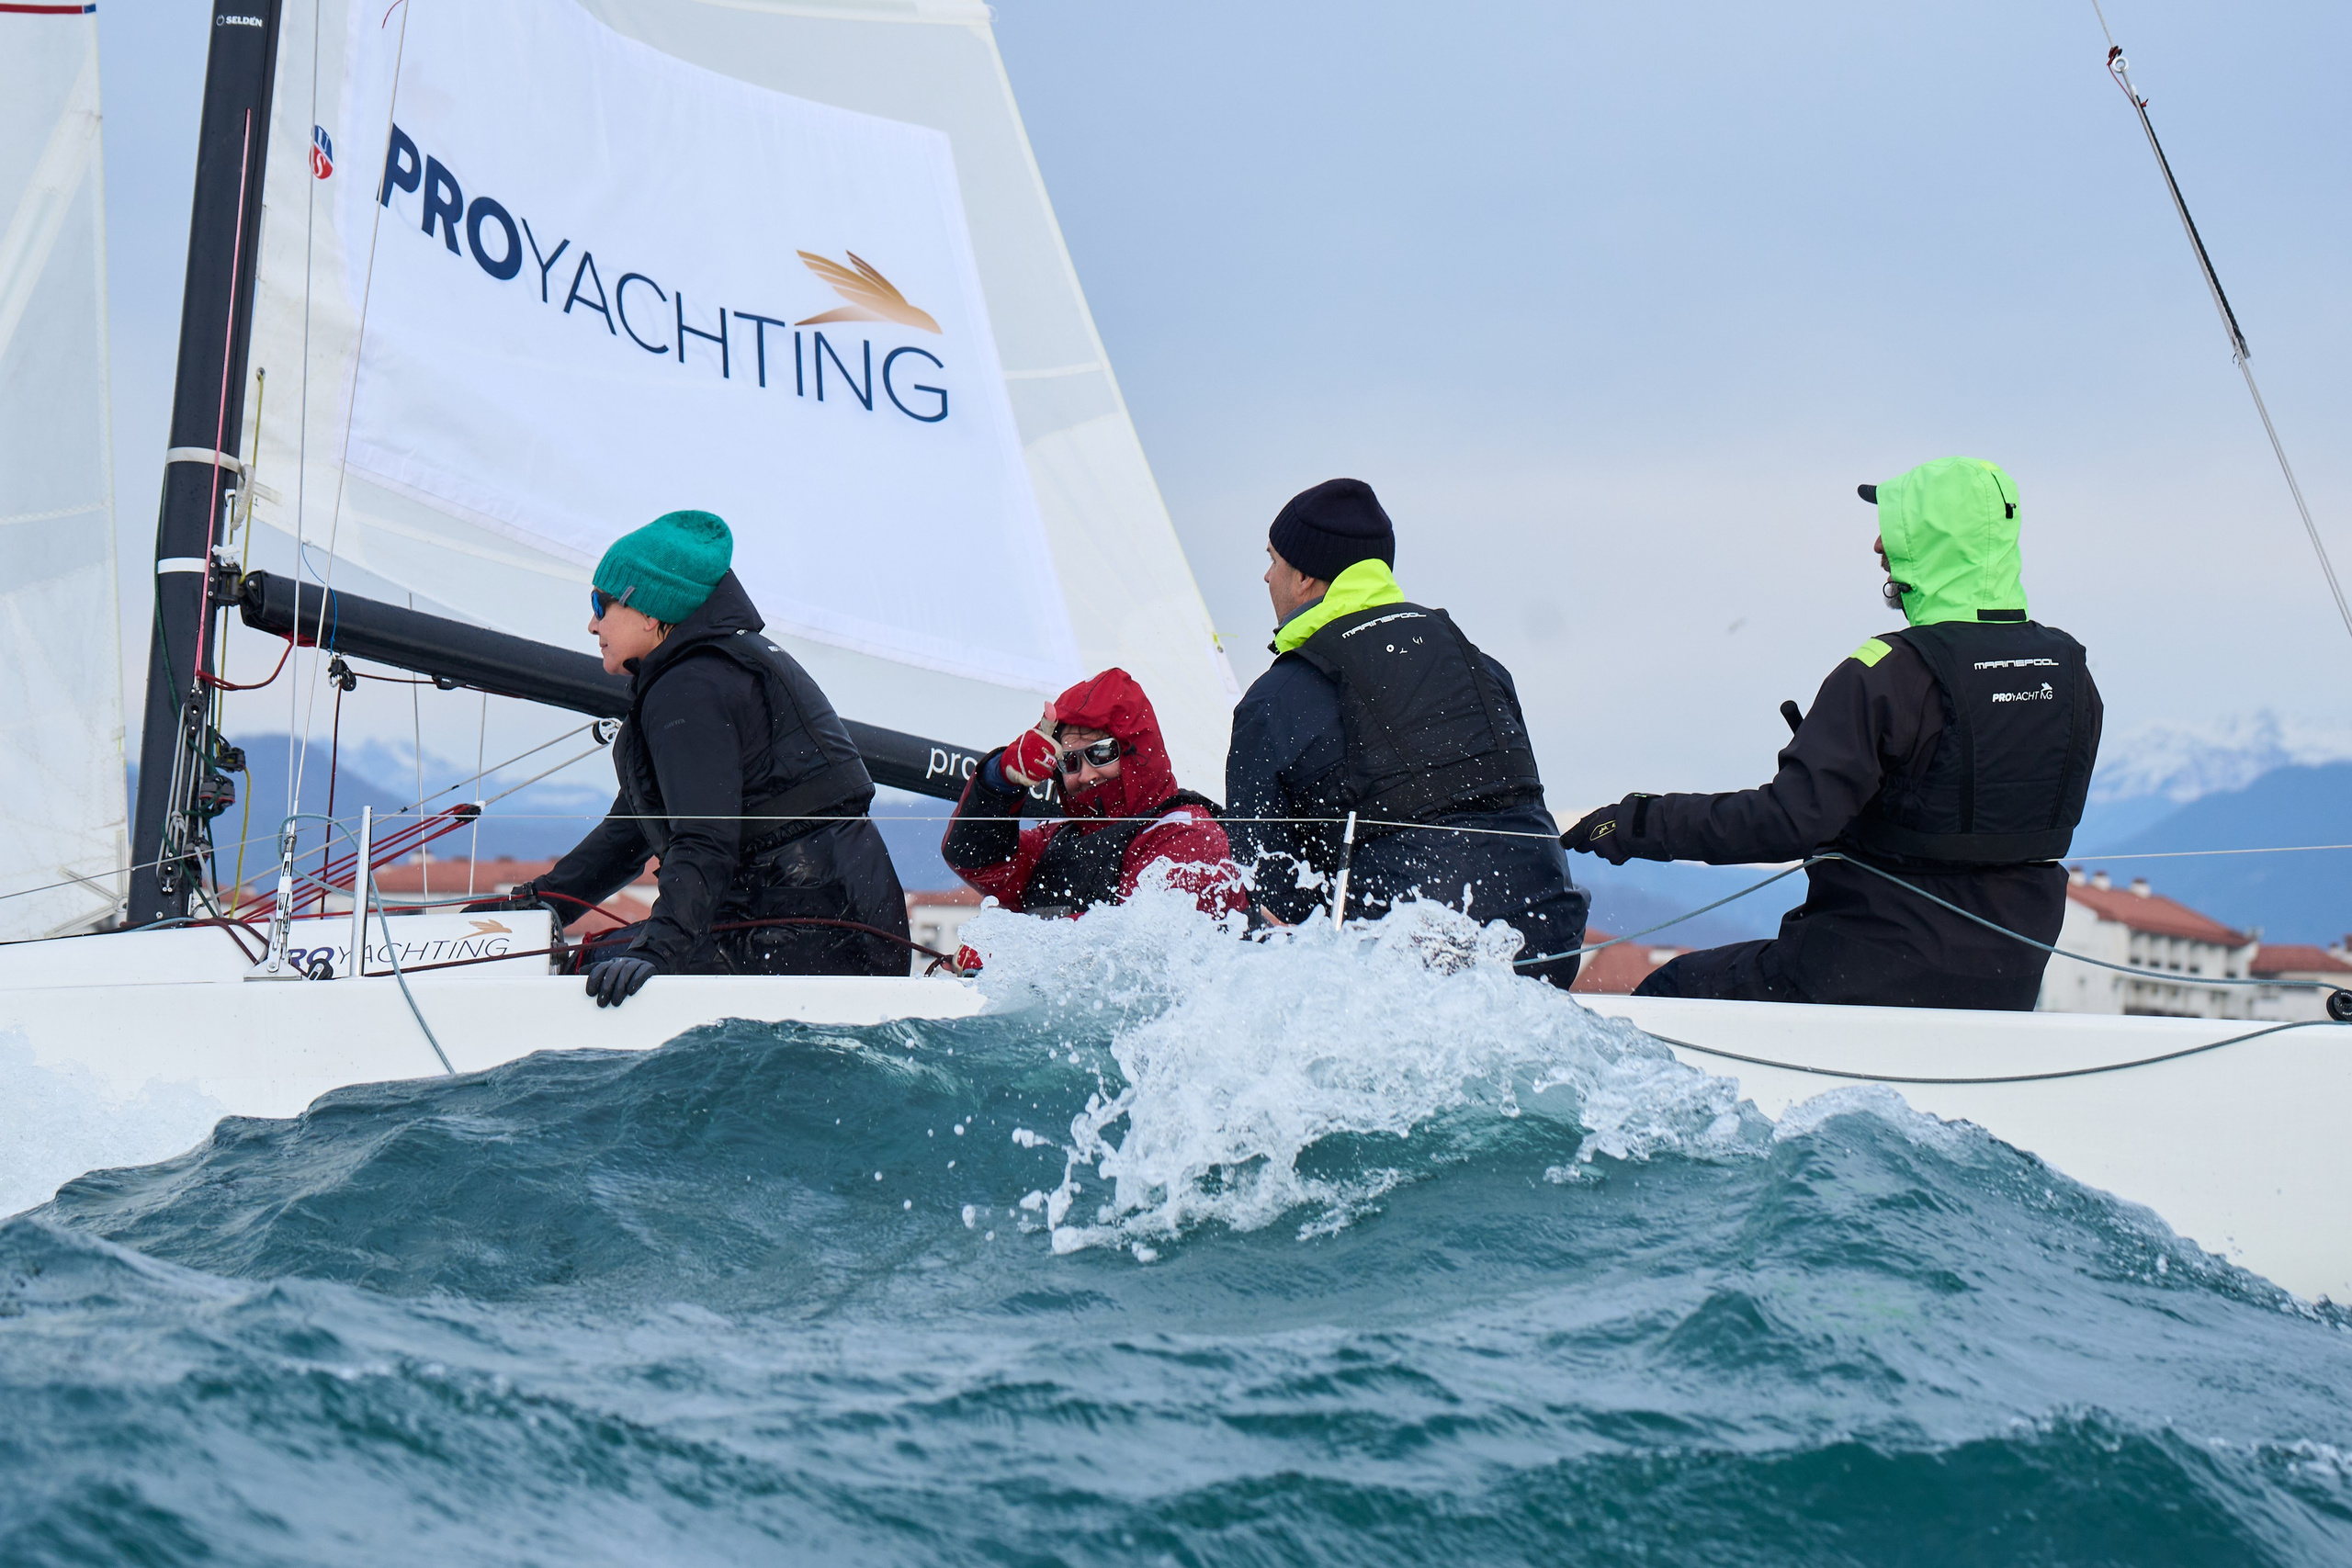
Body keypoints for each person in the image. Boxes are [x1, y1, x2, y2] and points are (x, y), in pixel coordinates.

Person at [1562, 457, 2102, 1010]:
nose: (1878, 545)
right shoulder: (2072, 675)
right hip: (2007, 987)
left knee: (1671, 990)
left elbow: (1784, 822)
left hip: (1856, 974)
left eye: (1898, 528)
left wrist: (1635, 823)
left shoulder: (1887, 672)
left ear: (1936, 539)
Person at [479, 509, 911, 1006]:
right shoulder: (713, 670)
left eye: (600, 603)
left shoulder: (689, 688)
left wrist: (657, 953)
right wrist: (537, 907)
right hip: (840, 930)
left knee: (582, 973)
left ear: (649, 612)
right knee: (593, 958)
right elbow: (629, 833)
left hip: (801, 932)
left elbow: (705, 839)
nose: (592, 624)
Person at [1224, 478, 1589, 987]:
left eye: (1273, 559)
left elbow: (1263, 884)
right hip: (1550, 945)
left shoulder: (1272, 701)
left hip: (1404, 970)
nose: (1266, 576)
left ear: (1304, 576)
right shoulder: (1481, 666)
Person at [942, 668, 1246, 920]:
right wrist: (999, 777)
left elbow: (1139, 941)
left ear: (1136, 750)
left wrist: (1010, 947)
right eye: (1069, 761)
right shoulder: (1058, 840)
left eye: (1101, 753)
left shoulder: (1188, 834)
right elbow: (974, 863)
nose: (1086, 775)